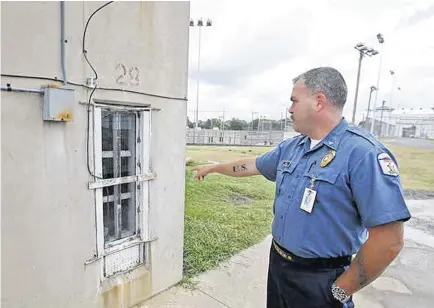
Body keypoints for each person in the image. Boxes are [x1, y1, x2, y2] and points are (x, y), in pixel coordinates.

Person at [191, 67, 411, 308]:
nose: (290, 108)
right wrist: (216, 167)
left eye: (294, 100)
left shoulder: (363, 154)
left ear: (319, 102)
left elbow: (389, 240)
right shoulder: (293, 148)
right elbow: (252, 165)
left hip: (321, 279)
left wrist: (339, 292)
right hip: (279, 266)